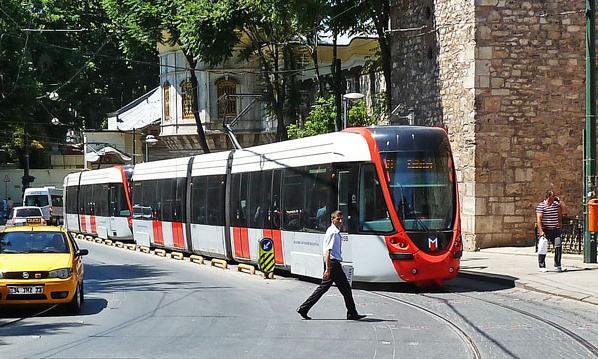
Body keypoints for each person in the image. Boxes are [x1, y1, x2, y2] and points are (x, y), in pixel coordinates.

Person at [296, 210, 366, 320]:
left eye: (342, 219)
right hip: (333, 265)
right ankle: (351, 313)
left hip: (334, 264)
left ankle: (304, 308)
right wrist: (328, 269)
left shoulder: (334, 231)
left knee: (340, 289)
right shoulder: (333, 232)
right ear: (332, 219)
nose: (341, 221)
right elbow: (327, 252)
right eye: (338, 219)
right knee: (337, 289)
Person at [536, 190, 564, 272]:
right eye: (553, 196)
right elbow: (539, 219)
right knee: (543, 247)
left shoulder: (556, 205)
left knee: (558, 246)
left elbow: (564, 211)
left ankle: (557, 265)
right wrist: (541, 231)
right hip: (546, 230)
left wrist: (560, 201)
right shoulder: (541, 206)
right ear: (549, 197)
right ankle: (542, 266)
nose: (554, 198)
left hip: (555, 229)